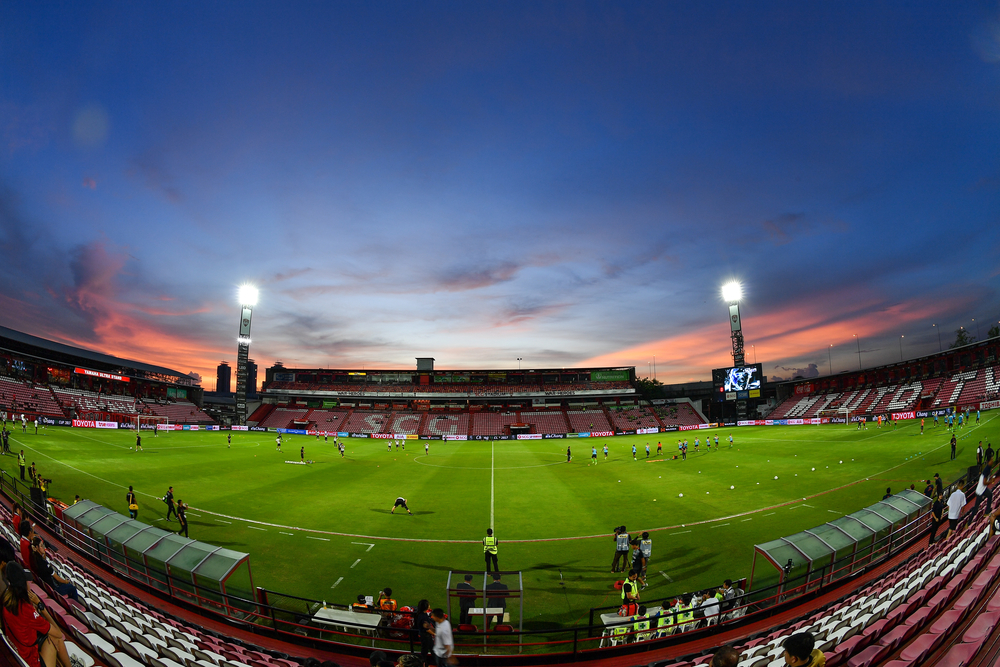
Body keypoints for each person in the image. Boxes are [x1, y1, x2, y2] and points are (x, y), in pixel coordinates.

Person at [2, 562, 74, 667]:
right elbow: (58, 633)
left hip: (20, 651)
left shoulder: (7, 599)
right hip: (30, 660)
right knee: (55, 638)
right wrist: (41, 607)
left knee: (50, 636)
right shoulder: (26, 609)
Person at [29, 537, 78, 601]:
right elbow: (57, 578)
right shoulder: (45, 564)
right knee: (73, 588)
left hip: (48, 587)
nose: (44, 547)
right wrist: (66, 581)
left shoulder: (34, 558)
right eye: (41, 546)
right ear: (37, 547)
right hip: (54, 589)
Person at [414, 600, 434, 665]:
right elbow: (426, 629)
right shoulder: (423, 617)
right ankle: (423, 664)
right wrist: (435, 634)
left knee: (432, 649)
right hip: (425, 636)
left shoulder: (421, 614)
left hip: (425, 635)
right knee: (424, 652)